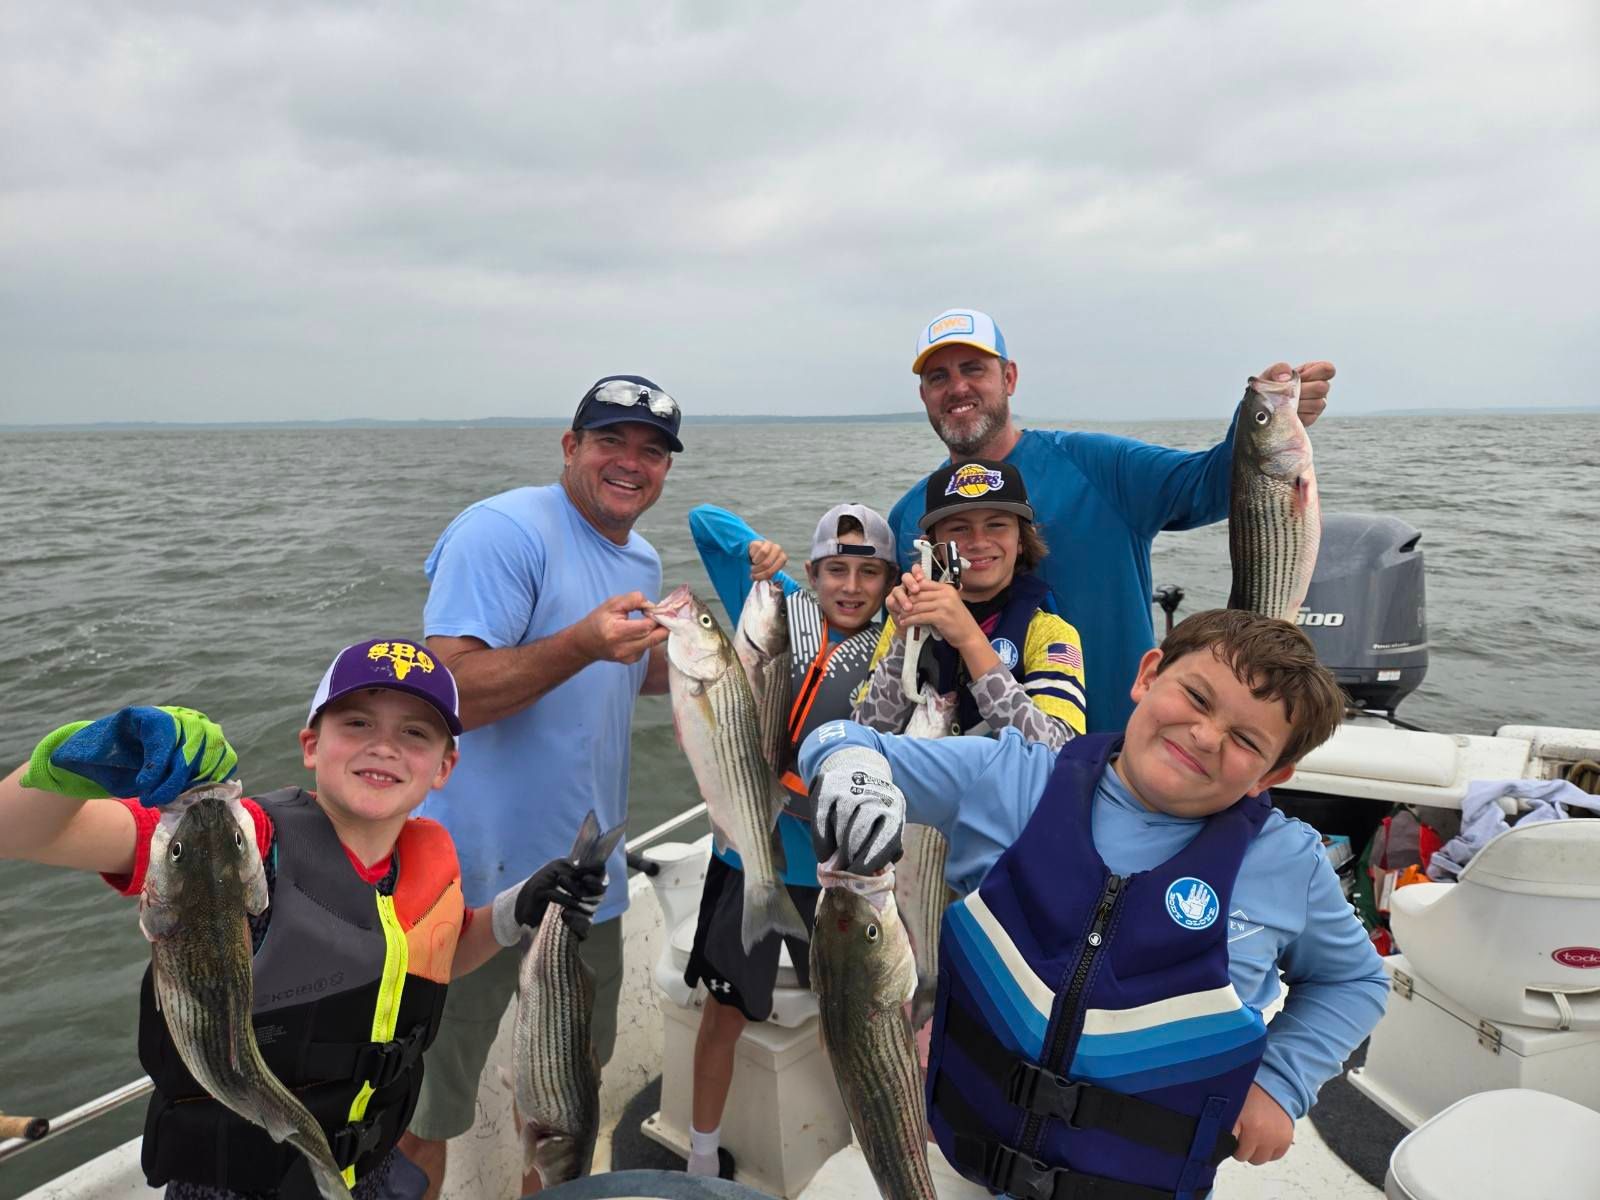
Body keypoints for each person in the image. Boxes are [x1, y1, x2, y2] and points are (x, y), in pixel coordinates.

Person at [803, 609, 1388, 1199]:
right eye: (1196, 698)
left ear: (1272, 774)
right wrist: (853, 770)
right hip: (961, 1161)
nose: (1206, 737)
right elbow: (838, 741)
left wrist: (1281, 1081)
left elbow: (1355, 979)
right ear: (1148, 674)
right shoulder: (1008, 777)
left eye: (1245, 740)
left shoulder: (1290, 864)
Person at [0, 639, 604, 1200]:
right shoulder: (242, 842)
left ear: (445, 766)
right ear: (311, 744)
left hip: (368, 1169)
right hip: (236, 1185)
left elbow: (431, 956)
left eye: (415, 732)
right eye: (357, 723)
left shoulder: (429, 859)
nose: (384, 745)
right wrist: (81, 759)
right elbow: (16, 832)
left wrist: (515, 911)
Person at [403, 375, 682, 1197]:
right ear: (570, 446)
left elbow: (619, 674)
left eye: (652, 450)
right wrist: (583, 643)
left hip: (588, 885)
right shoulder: (503, 531)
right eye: (611, 441)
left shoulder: (640, 557)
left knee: (565, 1115)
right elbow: (448, 691)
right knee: (420, 1112)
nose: (630, 462)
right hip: (469, 886)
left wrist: (716, 661)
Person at [889, 307, 1336, 733]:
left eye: (973, 369)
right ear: (923, 395)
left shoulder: (1100, 466)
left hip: (1119, 754)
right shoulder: (909, 516)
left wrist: (1264, 421)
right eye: (938, 377)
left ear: (1009, 378)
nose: (957, 388)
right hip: (977, 767)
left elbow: (1209, 485)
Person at [679, 500, 897, 1178]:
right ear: (812, 572)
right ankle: (701, 1153)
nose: (851, 587)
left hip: (833, 874)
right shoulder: (776, 607)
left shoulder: (896, 643)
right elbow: (703, 521)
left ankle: (865, 1154)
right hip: (742, 852)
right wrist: (761, 556)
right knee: (724, 1010)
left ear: (890, 582)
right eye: (835, 570)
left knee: (848, 1022)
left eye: (869, 573)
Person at [853, 457, 1087, 747]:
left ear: (1022, 540)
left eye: (996, 525)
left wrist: (970, 640)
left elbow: (1060, 751)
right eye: (959, 528)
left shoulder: (1051, 634)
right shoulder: (906, 622)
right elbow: (863, 736)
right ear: (933, 546)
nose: (978, 541)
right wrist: (903, 638)